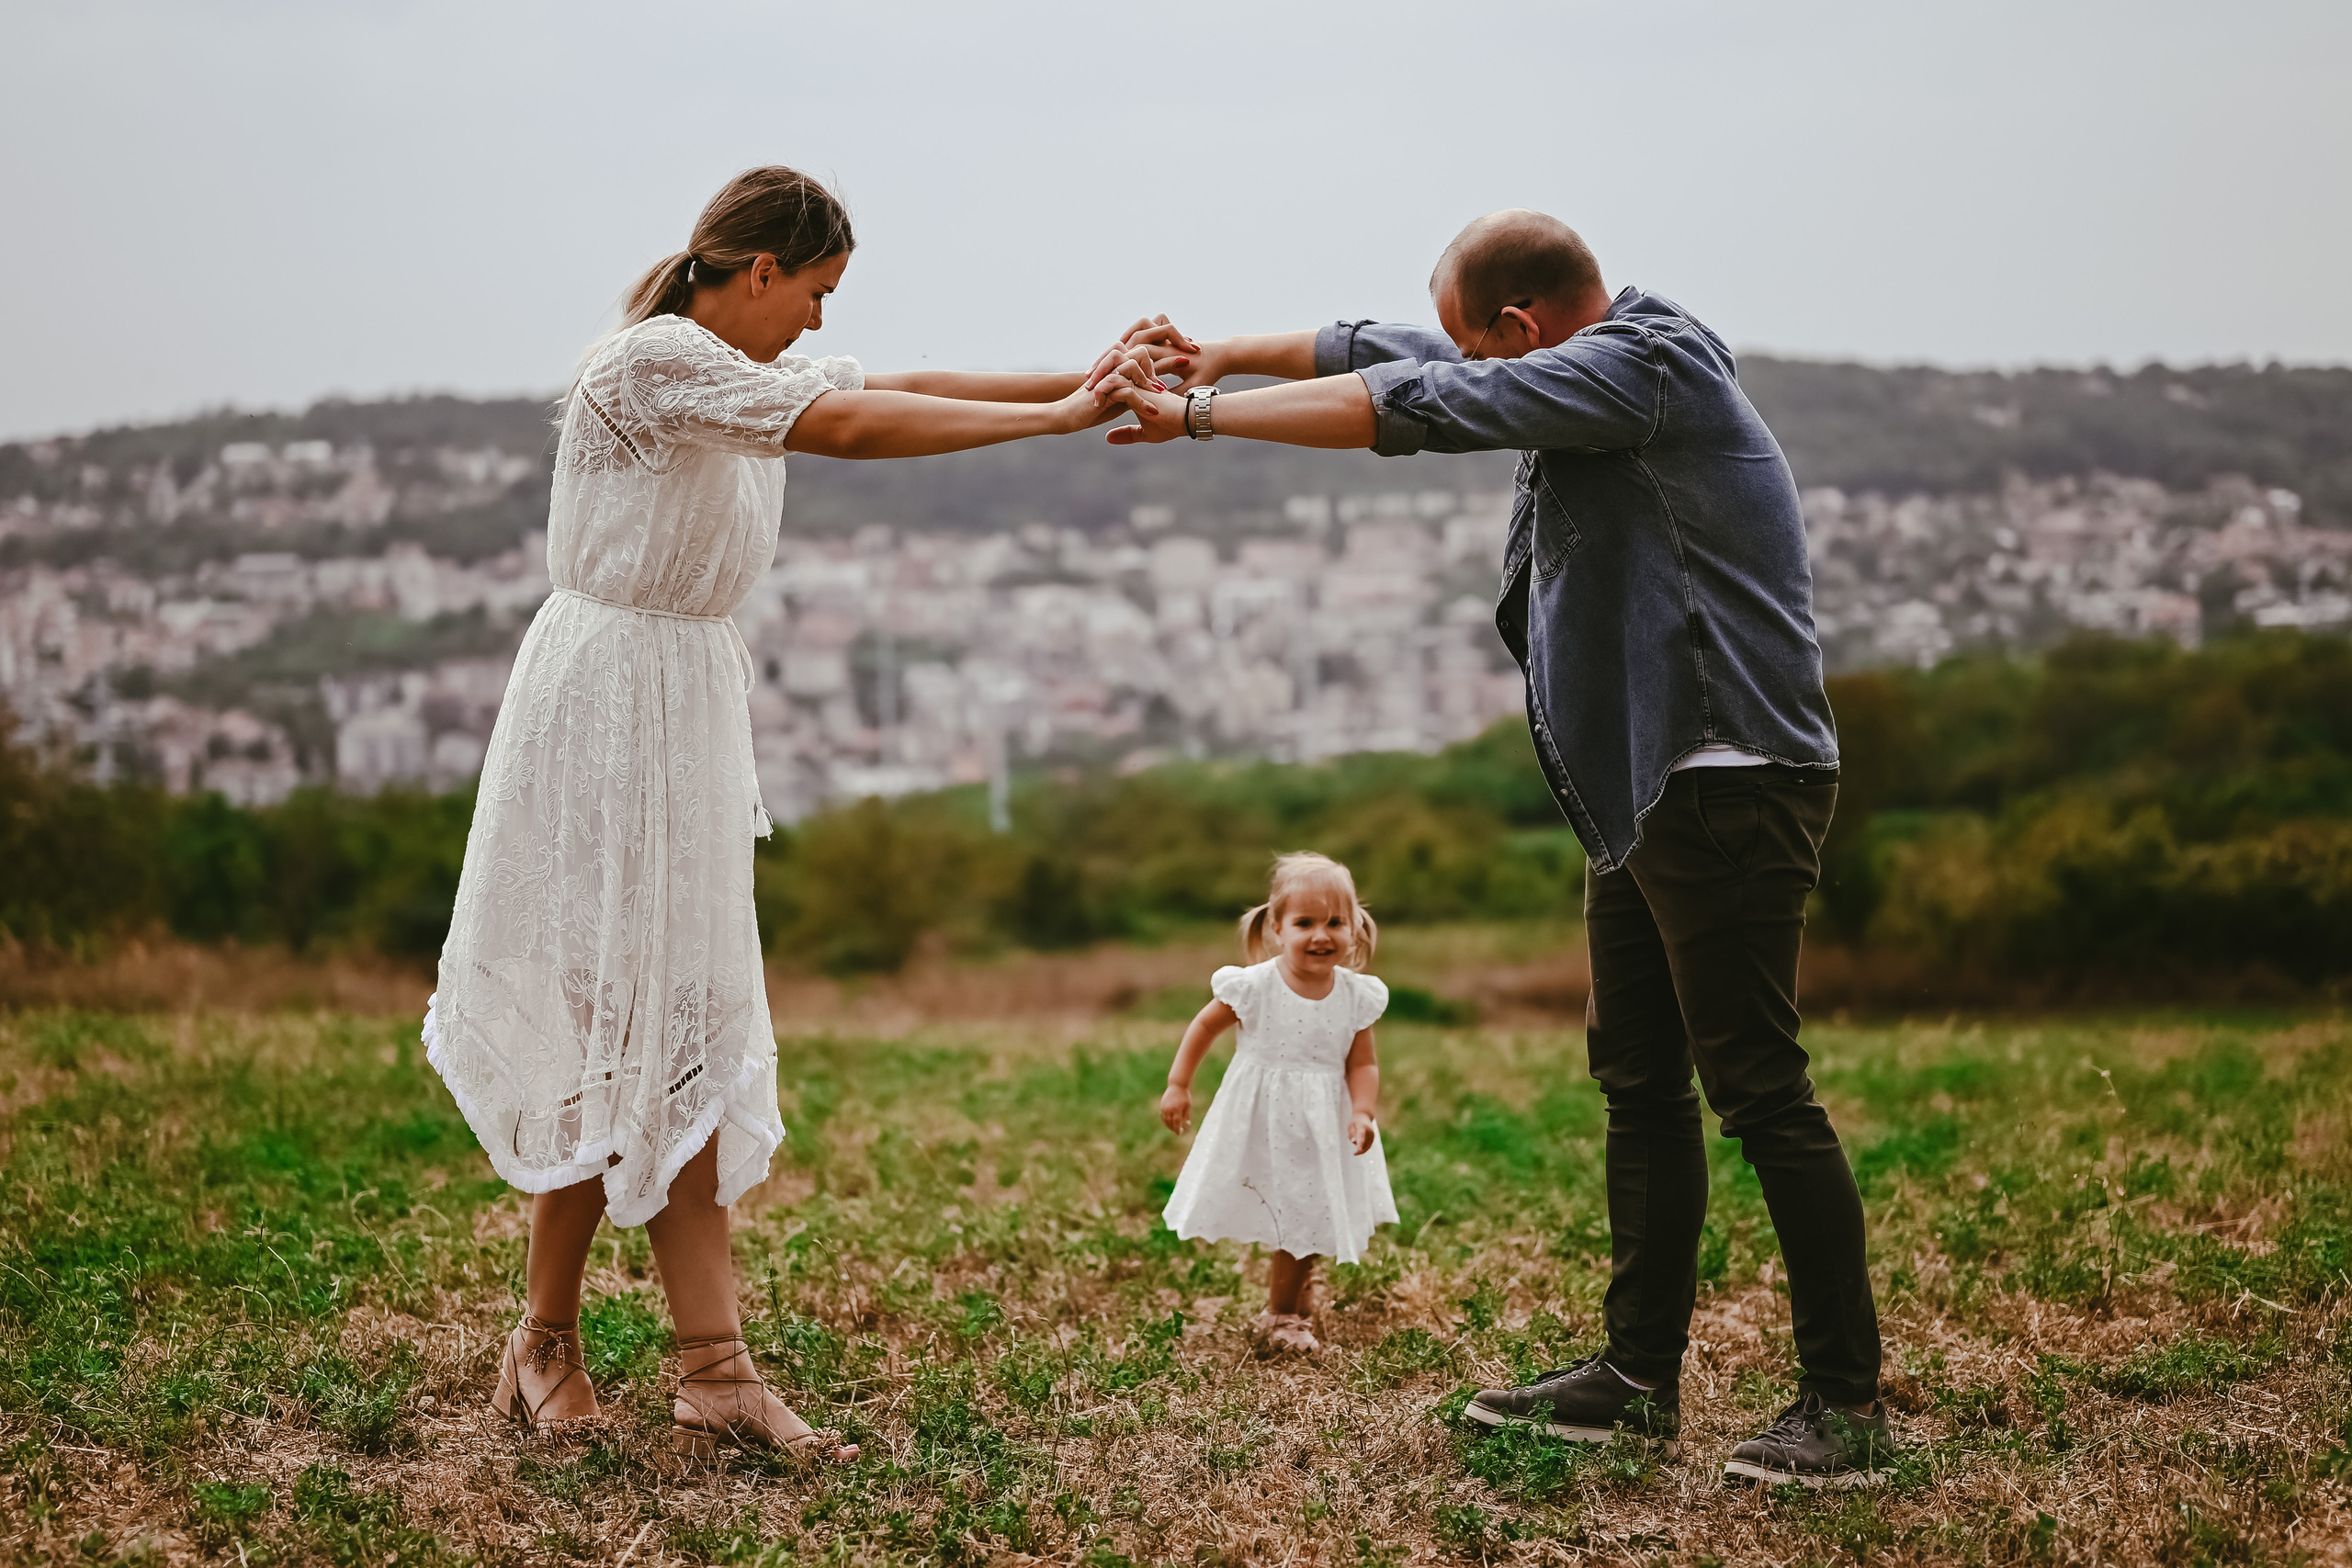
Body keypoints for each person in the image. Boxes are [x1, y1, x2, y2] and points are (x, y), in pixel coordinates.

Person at [1092, 210, 1892, 1488]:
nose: (1481, 370)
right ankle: (1636, 1378)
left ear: (1524, 331)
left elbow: (1414, 396)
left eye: (1489, 350)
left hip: (1731, 779)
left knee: (1758, 1085)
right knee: (1639, 1075)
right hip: (1648, 785)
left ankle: (1845, 1405)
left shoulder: (1648, 368)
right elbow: (1390, 347)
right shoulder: (1591, 358)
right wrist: (1217, 352)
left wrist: (1197, 421)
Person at [425, 164, 1188, 1463]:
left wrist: (1079, 385)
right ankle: (647, 1354)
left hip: (674, 698)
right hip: (609, 703)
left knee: (661, 1018)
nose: (822, 324)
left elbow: (898, 390)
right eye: (818, 292)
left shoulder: (726, 362)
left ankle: (617, 1349)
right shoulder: (658, 358)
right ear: (760, 268)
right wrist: (1065, 412)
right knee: (630, 1018)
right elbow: (852, 428)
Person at [1158, 852, 1396, 1357]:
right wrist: (1179, 1084)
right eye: (1305, 922)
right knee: (1289, 1211)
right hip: (1261, 1119)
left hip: (1322, 1122)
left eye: (1336, 922)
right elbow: (1203, 1026)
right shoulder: (1255, 986)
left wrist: (1362, 1111)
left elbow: (1363, 1064)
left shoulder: (1356, 996)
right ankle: (1285, 1310)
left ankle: (1288, 1305)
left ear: (1355, 927)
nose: (1321, 935)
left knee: (1307, 1208)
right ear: (1277, 927)